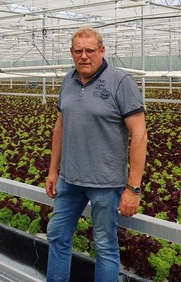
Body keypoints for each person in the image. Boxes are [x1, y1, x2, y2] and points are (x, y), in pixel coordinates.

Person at [44, 26, 148, 282]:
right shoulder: (68, 80)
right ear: (71, 53)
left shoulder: (120, 82)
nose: (84, 56)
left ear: (102, 51)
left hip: (105, 184)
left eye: (90, 50)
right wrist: (53, 170)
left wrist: (133, 188)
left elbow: (139, 135)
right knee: (57, 235)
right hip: (69, 180)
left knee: (104, 245)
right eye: (78, 51)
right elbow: (60, 128)